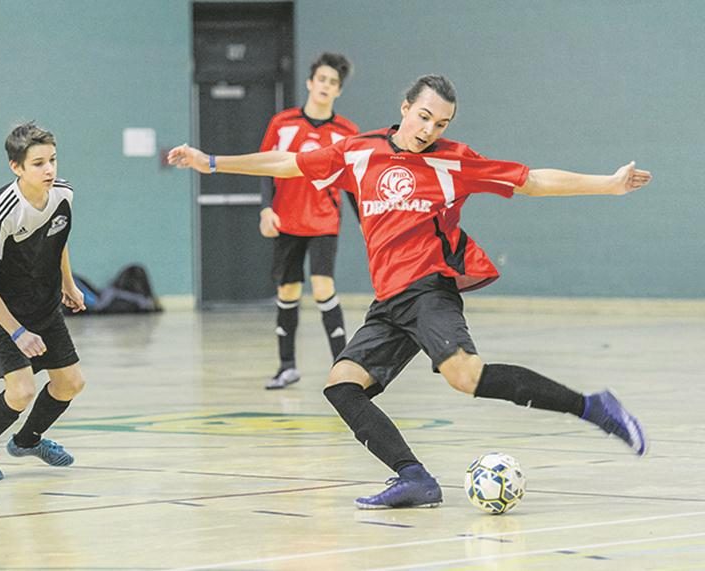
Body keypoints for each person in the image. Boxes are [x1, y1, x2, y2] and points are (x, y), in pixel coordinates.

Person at [168, 74, 651, 509]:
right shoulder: (357, 152)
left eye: (440, 123)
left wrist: (607, 185)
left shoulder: (453, 162)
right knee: (342, 386)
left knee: (464, 377)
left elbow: (533, 180)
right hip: (389, 301)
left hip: (429, 288)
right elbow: (289, 163)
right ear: (404, 108)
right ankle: (414, 476)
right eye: (424, 116)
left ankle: (594, 408)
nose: (429, 130)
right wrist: (212, 161)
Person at [0, 122, 86, 480]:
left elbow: (59, 238)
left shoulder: (63, 195)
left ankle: (29, 441)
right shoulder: (1, 214)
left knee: (71, 383)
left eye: (53, 160)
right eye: (38, 163)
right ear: (16, 167)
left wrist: (69, 283)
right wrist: (17, 333)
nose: (49, 169)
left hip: (41, 301)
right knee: (21, 391)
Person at [258, 52, 359, 390]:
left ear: (338, 90)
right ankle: (287, 366)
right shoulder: (283, 123)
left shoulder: (347, 132)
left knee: (322, 286)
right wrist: (265, 209)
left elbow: (354, 185)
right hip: (287, 221)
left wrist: (365, 222)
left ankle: (343, 367)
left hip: (324, 222)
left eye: (333, 82)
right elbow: (264, 167)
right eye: (322, 79)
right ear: (309, 82)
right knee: (287, 290)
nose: (326, 86)